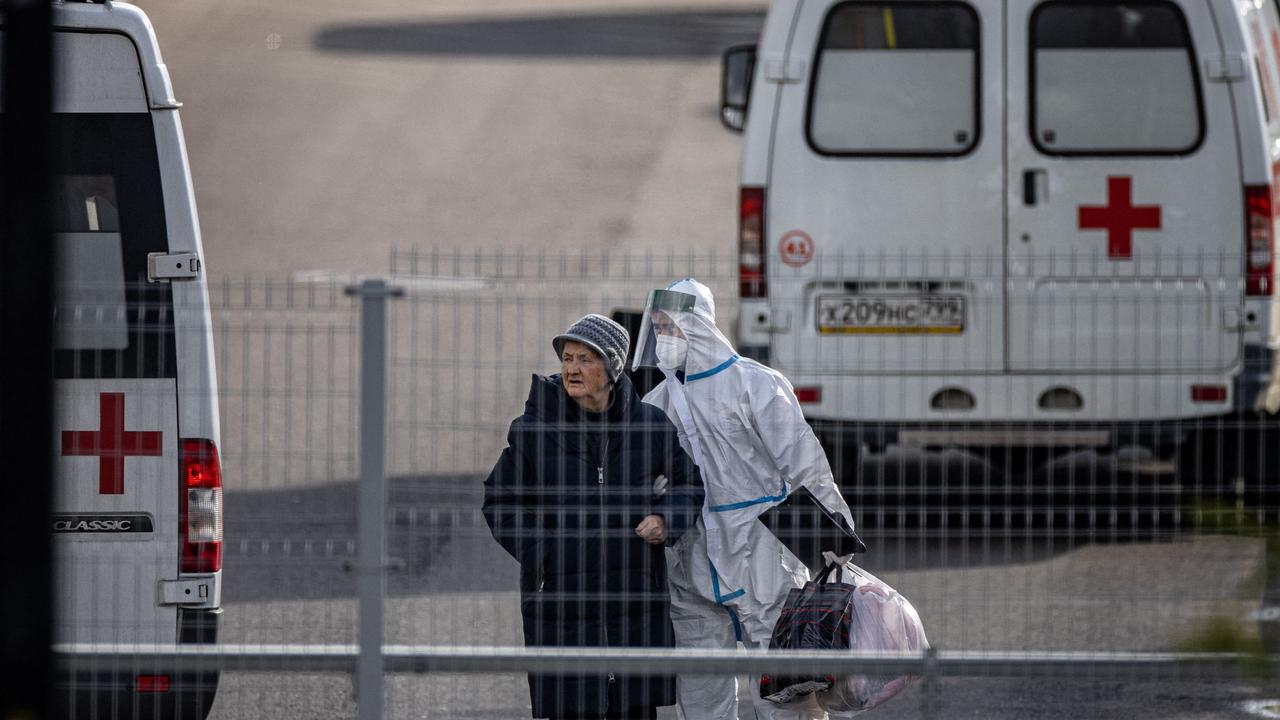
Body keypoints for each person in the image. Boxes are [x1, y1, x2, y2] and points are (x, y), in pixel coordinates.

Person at [632, 279, 859, 720]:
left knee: (782, 687)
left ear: (698, 326)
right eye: (657, 328)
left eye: (672, 327)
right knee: (701, 689)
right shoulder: (659, 400)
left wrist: (838, 532)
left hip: (762, 552)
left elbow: (805, 464)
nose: (664, 339)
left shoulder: (755, 385)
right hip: (692, 556)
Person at [483, 313, 705, 720]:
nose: (571, 368)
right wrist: (545, 551)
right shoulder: (534, 429)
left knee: (634, 709)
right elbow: (500, 501)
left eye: (585, 359)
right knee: (572, 706)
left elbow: (689, 484)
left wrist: (666, 520)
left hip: (635, 595)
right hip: (561, 601)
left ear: (612, 367)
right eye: (567, 358)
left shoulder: (650, 426)